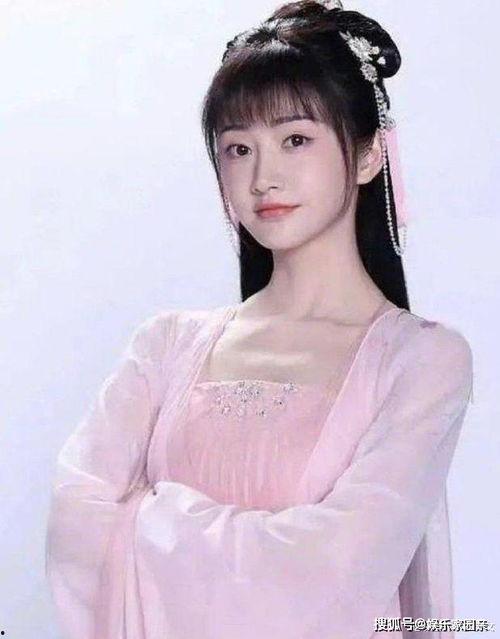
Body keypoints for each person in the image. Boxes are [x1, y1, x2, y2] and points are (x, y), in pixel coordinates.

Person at [45, 2, 474, 638]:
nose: (263, 177)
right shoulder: (165, 346)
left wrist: (149, 521)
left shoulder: (423, 361)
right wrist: (264, 547)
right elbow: (76, 524)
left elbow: (339, 567)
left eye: (295, 139)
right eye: (238, 148)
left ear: (368, 154)